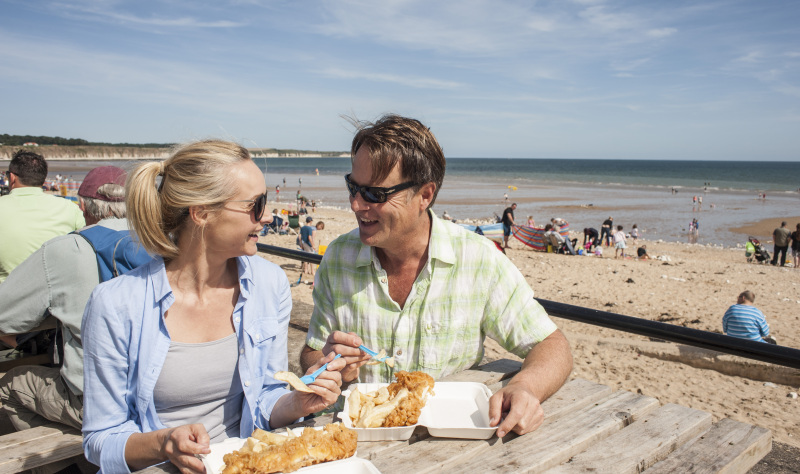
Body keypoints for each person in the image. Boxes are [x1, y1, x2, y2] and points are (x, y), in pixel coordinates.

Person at [301, 114, 573, 439]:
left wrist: (526, 388)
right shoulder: (338, 258)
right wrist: (327, 365)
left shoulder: (478, 260)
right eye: (353, 187)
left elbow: (552, 345)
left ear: (425, 195)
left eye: (375, 194)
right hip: (358, 442)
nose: (357, 204)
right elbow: (311, 351)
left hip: (449, 447)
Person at [81, 140, 344, 473]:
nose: (266, 216)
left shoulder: (269, 285)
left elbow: (263, 400)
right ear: (201, 212)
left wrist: (297, 401)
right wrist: (165, 443)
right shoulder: (116, 304)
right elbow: (100, 440)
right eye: (255, 204)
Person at [0, 166, 135, 438]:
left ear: (82, 205)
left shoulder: (68, 248)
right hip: (155, 395)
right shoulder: (161, 242)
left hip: (99, 403)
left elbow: (4, 316)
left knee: (10, 385)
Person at [0, 150, 85, 282]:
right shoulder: (69, 208)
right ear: (43, 179)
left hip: (6, 294)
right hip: (55, 292)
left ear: (12, 178)